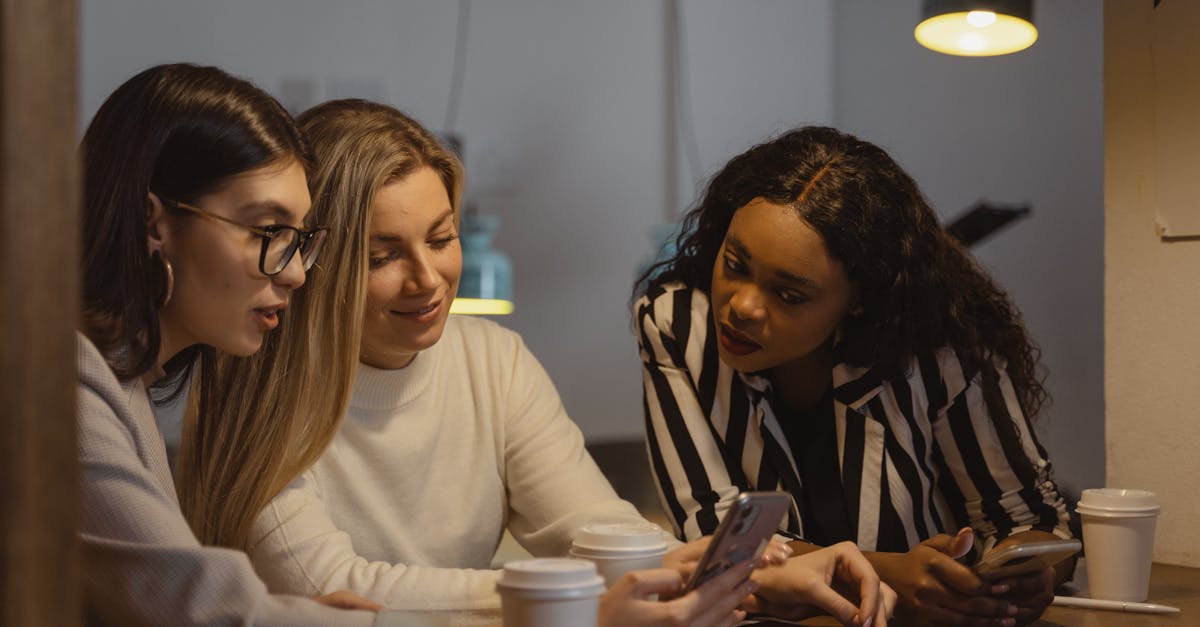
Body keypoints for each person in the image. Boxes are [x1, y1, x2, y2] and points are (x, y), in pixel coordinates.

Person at [244, 101, 888, 627]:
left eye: (442, 240)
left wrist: (746, 573)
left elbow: (593, 528)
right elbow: (328, 588)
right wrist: (565, 604)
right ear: (312, 256)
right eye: (382, 256)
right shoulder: (257, 380)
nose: (428, 279)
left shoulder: (494, 360)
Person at [634, 126, 1074, 627]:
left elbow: (1034, 523)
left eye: (789, 295)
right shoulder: (677, 325)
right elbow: (715, 540)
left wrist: (1026, 572)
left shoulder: (937, 350)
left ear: (860, 301)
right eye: (734, 264)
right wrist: (889, 573)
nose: (742, 306)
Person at [78, 63, 379, 625]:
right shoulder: (67, 379)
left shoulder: (128, 379)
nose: (296, 275)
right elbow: (203, 610)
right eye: (268, 234)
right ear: (153, 224)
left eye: (300, 240)